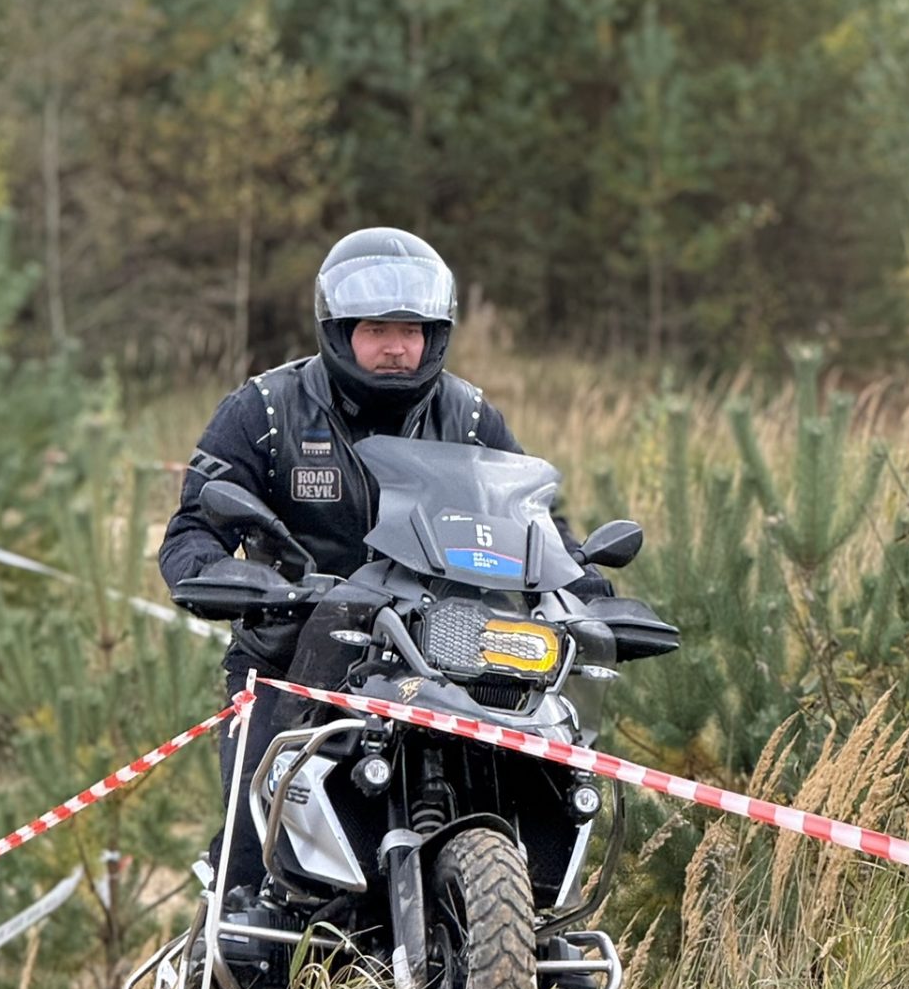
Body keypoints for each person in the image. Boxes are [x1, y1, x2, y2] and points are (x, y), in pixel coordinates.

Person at [159, 226, 604, 893]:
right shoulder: (267, 411)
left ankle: (528, 938)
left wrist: (586, 589)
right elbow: (195, 526)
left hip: (444, 659)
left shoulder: (470, 417)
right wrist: (228, 577)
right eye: (377, 329)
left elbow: (535, 520)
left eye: (411, 330)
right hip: (292, 658)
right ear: (339, 332)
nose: (397, 347)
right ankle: (237, 941)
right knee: (253, 849)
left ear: (436, 335)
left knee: (536, 796)